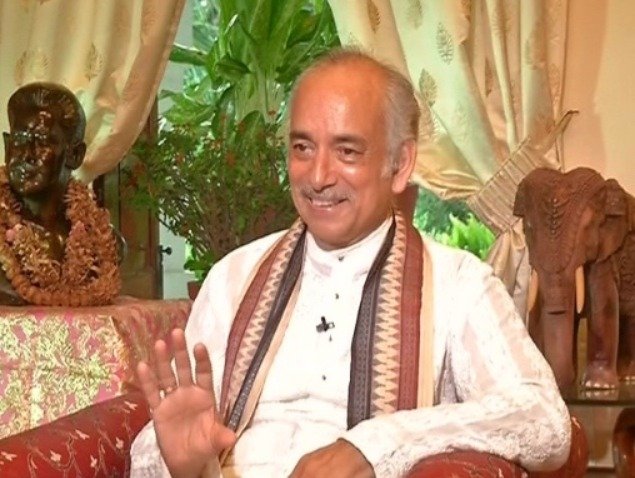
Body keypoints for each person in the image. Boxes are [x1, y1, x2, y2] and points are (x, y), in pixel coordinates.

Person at [131, 49, 571, 478]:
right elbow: (170, 440)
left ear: (400, 164)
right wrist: (187, 467)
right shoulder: (233, 276)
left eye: (347, 152)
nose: (318, 176)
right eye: (303, 147)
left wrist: (372, 446)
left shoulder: (459, 284)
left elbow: (545, 422)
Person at [0, 82, 120, 306]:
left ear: (75, 155)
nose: (26, 155)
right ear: (7, 145)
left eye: (42, 141)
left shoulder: (103, 244)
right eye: (19, 139)